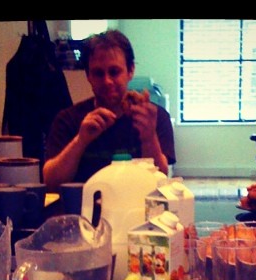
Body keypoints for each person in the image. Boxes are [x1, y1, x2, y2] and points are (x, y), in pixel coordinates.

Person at [43, 29, 176, 190]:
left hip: (137, 209)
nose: (107, 81)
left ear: (130, 70)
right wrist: (80, 141)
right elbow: (50, 182)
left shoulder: (155, 117)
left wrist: (148, 138)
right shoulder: (68, 119)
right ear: (88, 76)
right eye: (98, 73)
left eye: (114, 72)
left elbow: (160, 180)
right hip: (84, 211)